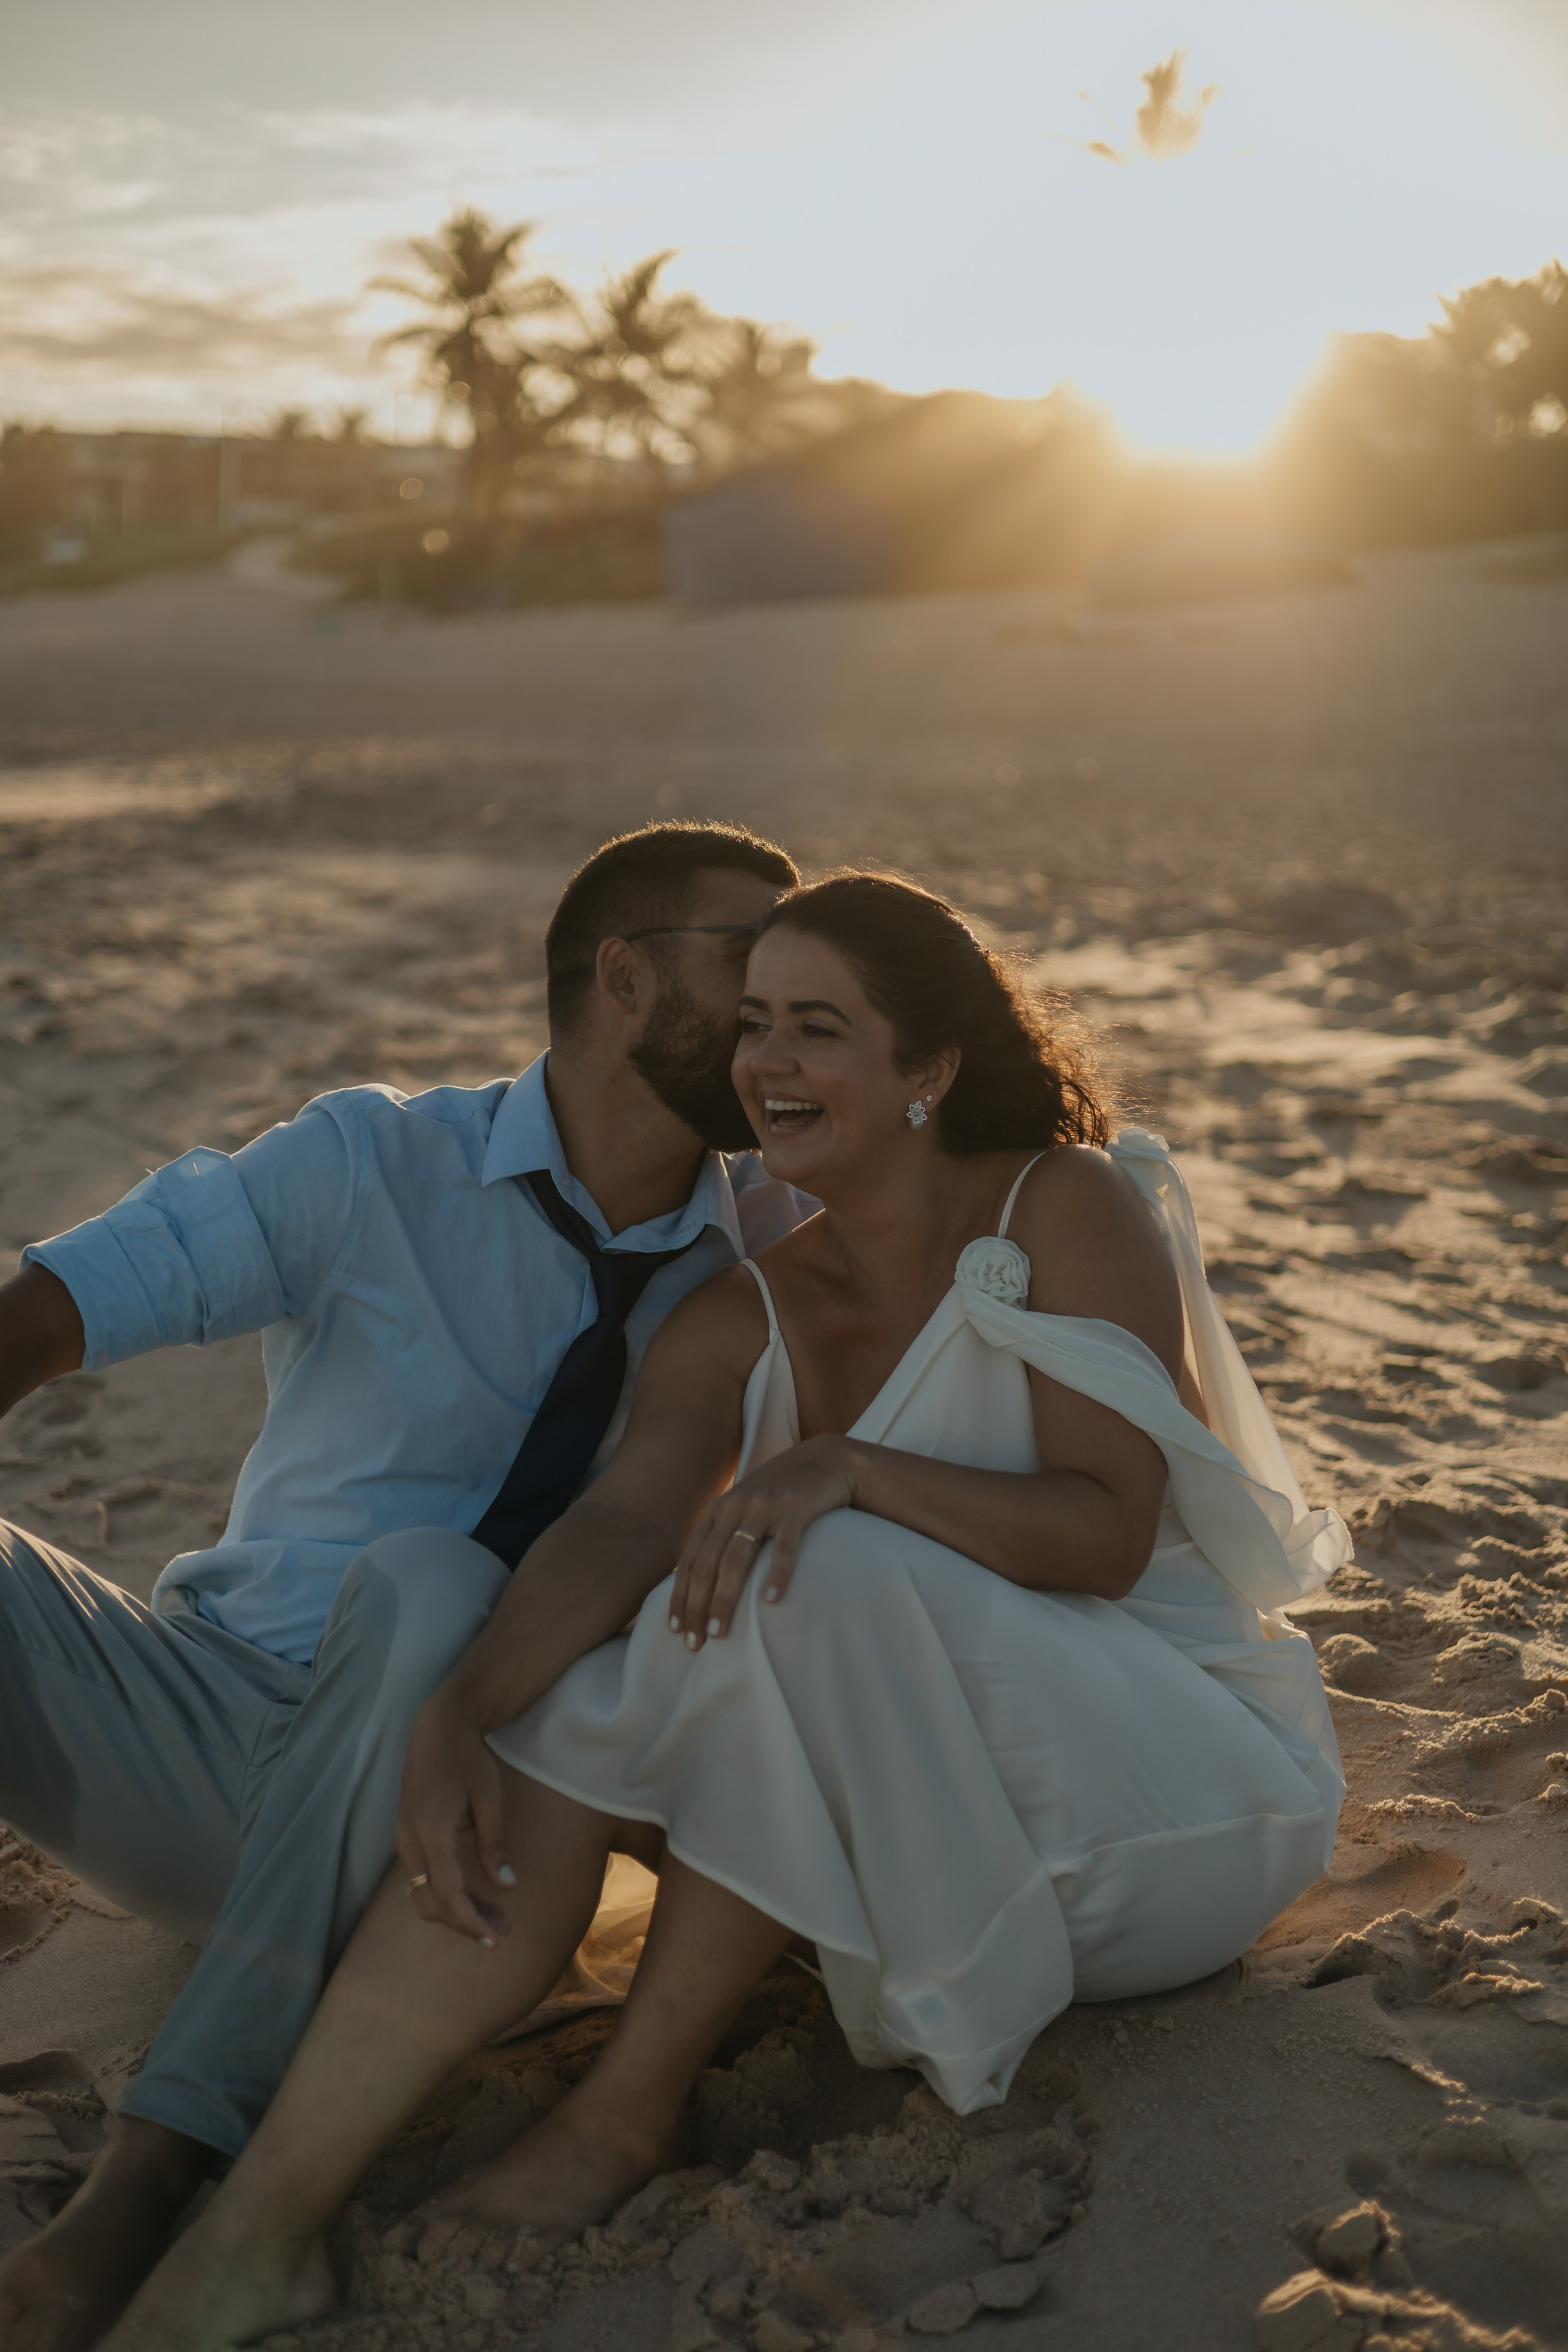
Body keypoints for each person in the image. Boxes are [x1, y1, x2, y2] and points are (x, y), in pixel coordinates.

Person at [104, 870, 1352, 2348]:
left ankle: (629, 2103)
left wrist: (848, 1467)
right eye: (753, 1021)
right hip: (904, 1832)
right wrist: (459, 1707)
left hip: (1157, 1813)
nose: (765, 1062)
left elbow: (1104, 1532)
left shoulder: (1063, 1205)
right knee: (572, 1695)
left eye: (817, 1028)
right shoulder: (736, 1308)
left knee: (803, 1561)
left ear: (928, 1067)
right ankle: (256, 2235)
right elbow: (625, 1521)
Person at [0, 819, 810, 2352]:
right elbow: (52, 1315)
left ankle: (149, 2177)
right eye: (746, 970)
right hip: (211, 1741)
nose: (774, 1016)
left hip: (468, 1853)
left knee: (439, 1587)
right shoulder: (372, 1159)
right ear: (623, 978)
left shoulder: (774, 1247)